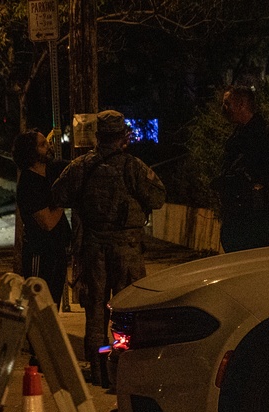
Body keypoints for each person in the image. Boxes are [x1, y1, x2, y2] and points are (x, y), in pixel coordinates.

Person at [51, 110, 166, 385]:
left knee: (96, 314)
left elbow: (58, 194)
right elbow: (158, 197)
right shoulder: (133, 167)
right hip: (126, 250)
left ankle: (100, 368)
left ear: (97, 136)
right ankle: (122, 369)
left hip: (92, 250)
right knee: (127, 313)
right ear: (122, 137)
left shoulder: (81, 166)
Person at [211, 85, 269, 253]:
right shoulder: (237, 135)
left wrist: (256, 182)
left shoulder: (265, 133)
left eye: (227, 103)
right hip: (233, 215)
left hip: (253, 217)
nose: (224, 108)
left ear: (242, 104)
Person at [11, 129, 71, 307]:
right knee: (37, 307)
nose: (49, 146)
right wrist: (62, 200)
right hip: (40, 254)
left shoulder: (52, 171)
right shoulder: (29, 184)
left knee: (53, 308)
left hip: (58, 252)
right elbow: (48, 222)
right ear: (31, 152)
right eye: (43, 144)